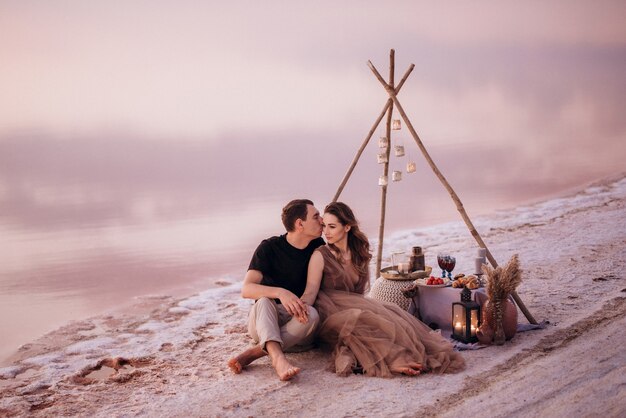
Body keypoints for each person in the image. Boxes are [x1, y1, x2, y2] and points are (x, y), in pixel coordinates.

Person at [300, 202, 465, 377]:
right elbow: (310, 291)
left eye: (332, 227)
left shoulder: (358, 254)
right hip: (329, 311)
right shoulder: (320, 255)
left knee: (390, 318)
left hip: (355, 305)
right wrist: (299, 307)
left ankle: (407, 354)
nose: (326, 232)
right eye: (324, 226)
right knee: (363, 322)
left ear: (347, 227)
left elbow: (358, 294)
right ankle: (394, 360)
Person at [228, 199, 325, 381]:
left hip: (296, 330)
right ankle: (278, 358)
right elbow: (247, 289)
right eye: (316, 216)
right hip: (264, 322)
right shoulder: (269, 248)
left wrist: (299, 307)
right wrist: (281, 292)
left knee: (312, 314)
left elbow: (312, 290)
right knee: (264, 301)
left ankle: (254, 353)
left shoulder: (317, 246)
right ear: (299, 224)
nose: (322, 221)